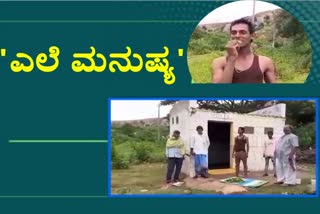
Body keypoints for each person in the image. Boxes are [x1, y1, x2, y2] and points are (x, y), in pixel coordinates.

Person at [212, 18, 276, 83]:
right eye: (234, 32)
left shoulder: (265, 62)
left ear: (252, 36)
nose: (237, 35)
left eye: (243, 32)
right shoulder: (219, 62)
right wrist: (231, 59)